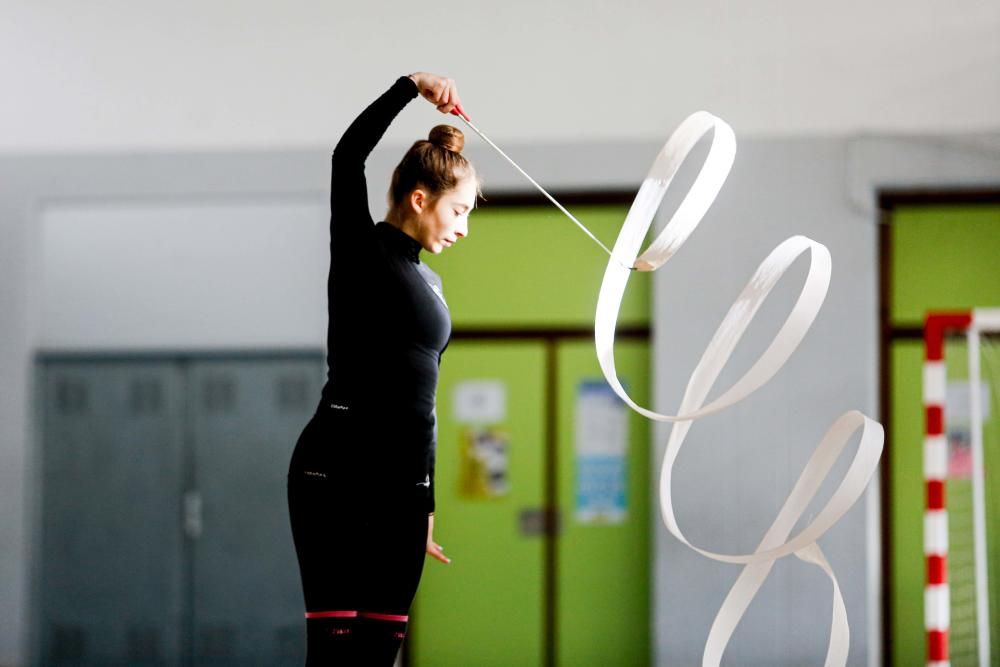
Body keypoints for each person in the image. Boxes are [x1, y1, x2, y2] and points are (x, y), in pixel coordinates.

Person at [286, 71, 481, 666]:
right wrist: (408, 87)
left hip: (401, 489)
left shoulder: (432, 282)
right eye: (459, 210)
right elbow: (348, 158)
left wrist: (424, 506)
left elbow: (423, 410)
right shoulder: (360, 251)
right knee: (335, 657)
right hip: (335, 473)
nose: (463, 227)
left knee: (378, 656)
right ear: (420, 198)